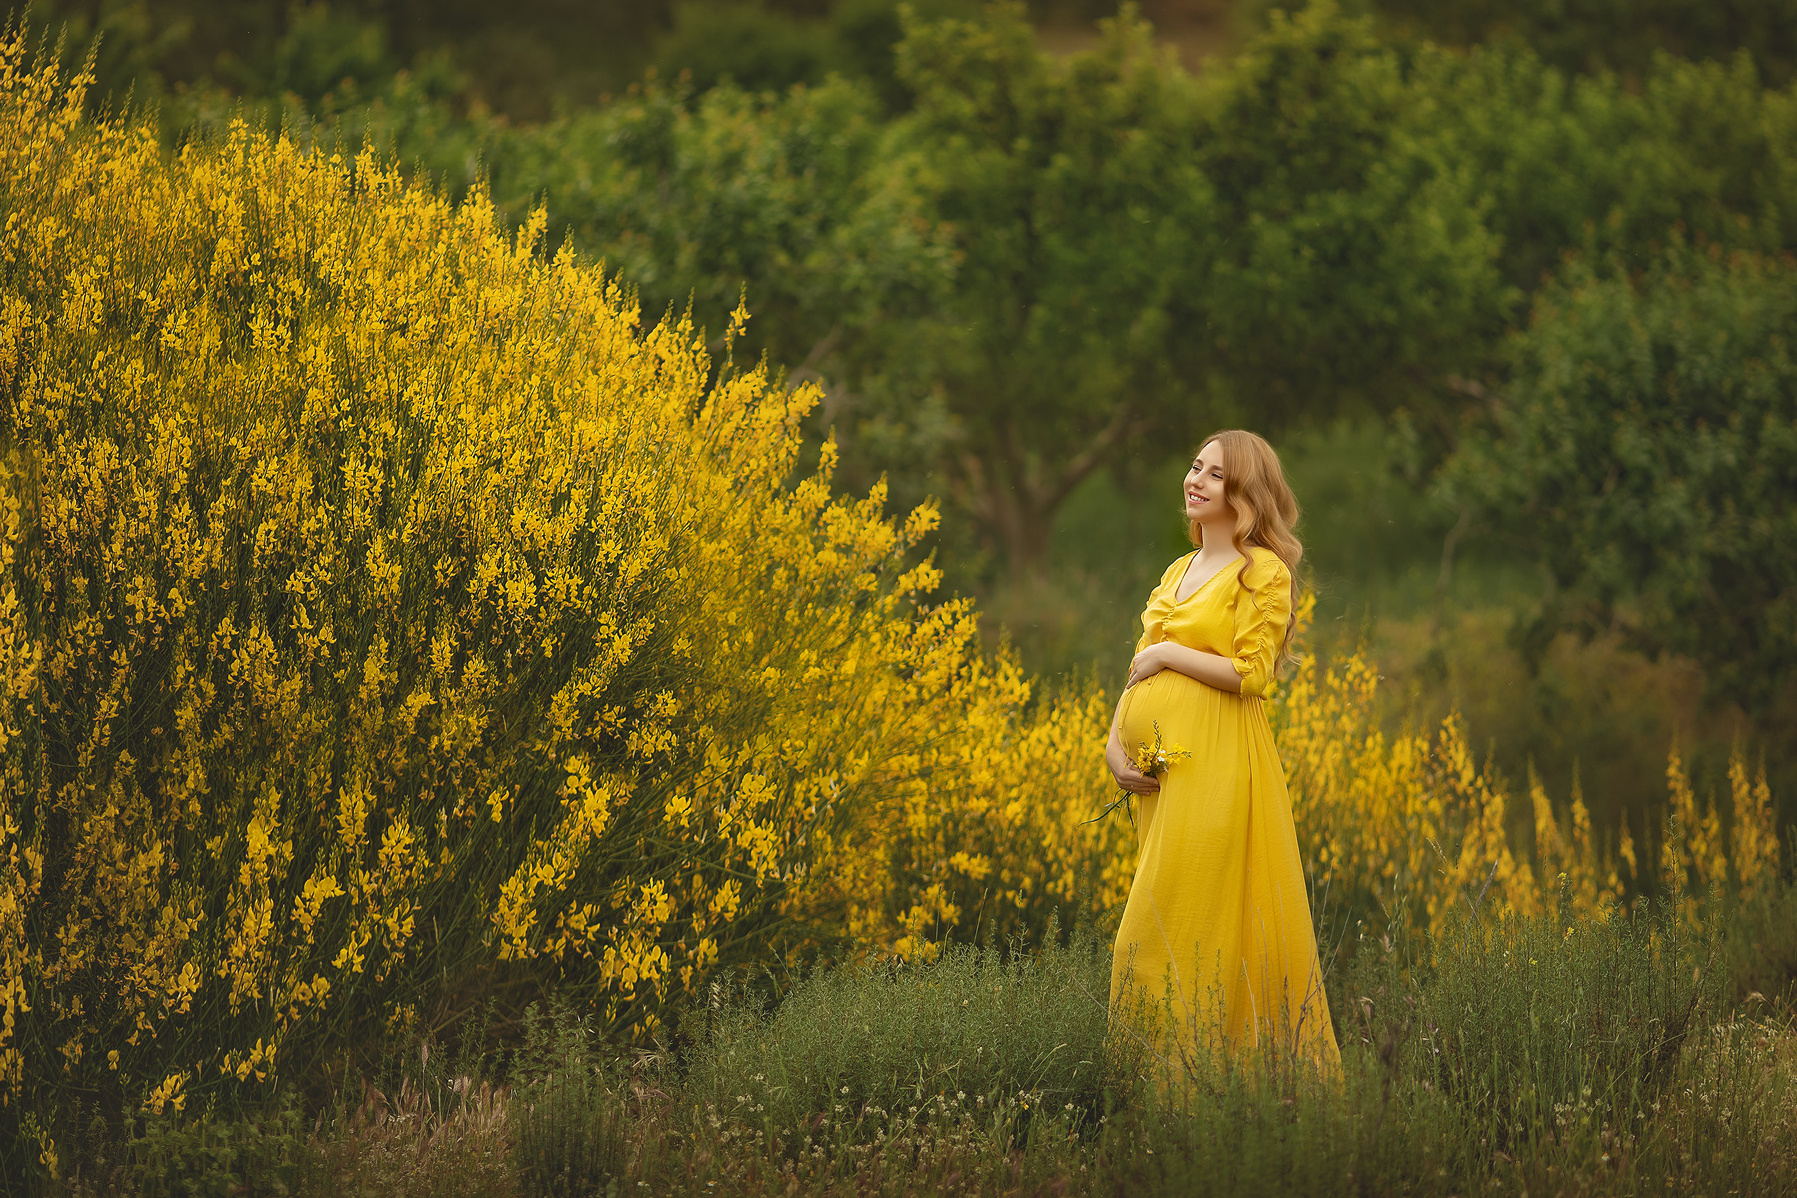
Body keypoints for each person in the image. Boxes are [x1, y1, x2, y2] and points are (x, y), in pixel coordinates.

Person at [1106, 429, 1339, 1075]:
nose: (1195, 480)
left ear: (1245, 491)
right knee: (1181, 923)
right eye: (1194, 467)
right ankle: (1161, 1097)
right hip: (1160, 776)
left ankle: (1195, 1087)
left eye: (1214, 474)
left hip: (1217, 766)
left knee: (1168, 930)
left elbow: (1252, 673)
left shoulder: (1261, 570)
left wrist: (1165, 654)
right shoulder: (1177, 571)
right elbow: (1135, 669)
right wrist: (1112, 744)